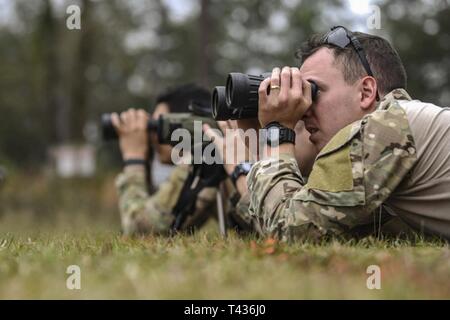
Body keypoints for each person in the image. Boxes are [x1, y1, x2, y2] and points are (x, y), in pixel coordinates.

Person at [228, 26, 450, 241]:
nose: (303, 108)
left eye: (313, 91)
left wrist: (276, 133)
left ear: (366, 92)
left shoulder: (384, 126)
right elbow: (321, 226)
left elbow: (289, 231)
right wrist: (264, 150)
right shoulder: (403, 131)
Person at [111, 84, 219, 235]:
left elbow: (141, 229)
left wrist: (134, 158)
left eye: (158, 126)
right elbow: (174, 224)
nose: (152, 136)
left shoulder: (208, 156)